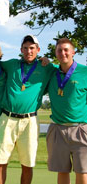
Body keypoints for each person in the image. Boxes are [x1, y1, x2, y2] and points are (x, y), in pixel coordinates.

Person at [0, 35, 55, 184]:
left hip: (30, 121)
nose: (29, 51)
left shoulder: (47, 67)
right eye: (26, 48)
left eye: (32, 48)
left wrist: (49, 61)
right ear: (21, 50)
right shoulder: (12, 64)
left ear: (38, 50)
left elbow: (66, 69)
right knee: (1, 163)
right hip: (7, 119)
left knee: (27, 164)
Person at [46, 38, 87, 184]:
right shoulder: (51, 72)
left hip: (81, 129)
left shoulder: (84, 72)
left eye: (66, 50)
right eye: (59, 50)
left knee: (82, 170)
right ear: (56, 53)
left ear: (73, 52)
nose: (63, 53)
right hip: (58, 128)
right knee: (62, 170)